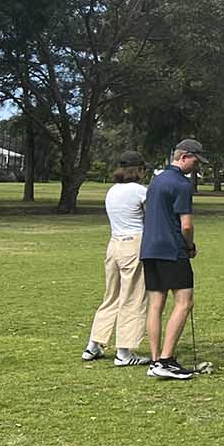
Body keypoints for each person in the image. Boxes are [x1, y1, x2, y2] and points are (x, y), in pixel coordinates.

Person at [141, 138, 207, 380]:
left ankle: (155, 358)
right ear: (183, 157)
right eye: (195, 161)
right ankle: (166, 361)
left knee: (156, 305)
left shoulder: (156, 181)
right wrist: (190, 246)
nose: (196, 167)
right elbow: (186, 225)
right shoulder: (182, 184)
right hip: (172, 249)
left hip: (149, 249)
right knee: (184, 302)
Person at [81, 150, 150, 366]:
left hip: (114, 245)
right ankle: (124, 352)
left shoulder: (112, 191)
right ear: (138, 170)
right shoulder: (141, 191)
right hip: (134, 243)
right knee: (133, 296)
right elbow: (151, 217)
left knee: (111, 296)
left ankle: (94, 345)